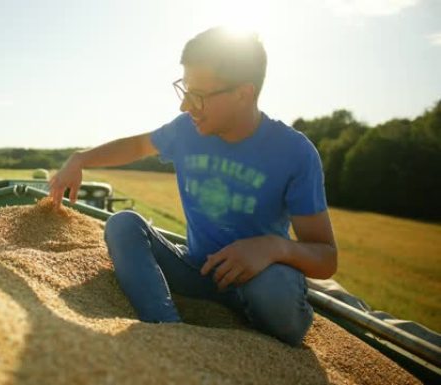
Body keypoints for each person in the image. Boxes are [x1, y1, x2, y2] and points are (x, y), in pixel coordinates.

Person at [48, 27, 337, 347]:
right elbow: (136, 146)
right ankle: (167, 328)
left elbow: (325, 258)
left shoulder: (296, 153)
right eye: (184, 89)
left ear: (244, 93)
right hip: (197, 272)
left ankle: (259, 328)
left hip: (259, 280)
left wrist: (273, 247)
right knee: (122, 224)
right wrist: (80, 159)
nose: (185, 106)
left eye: (198, 95)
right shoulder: (186, 130)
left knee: (276, 293)